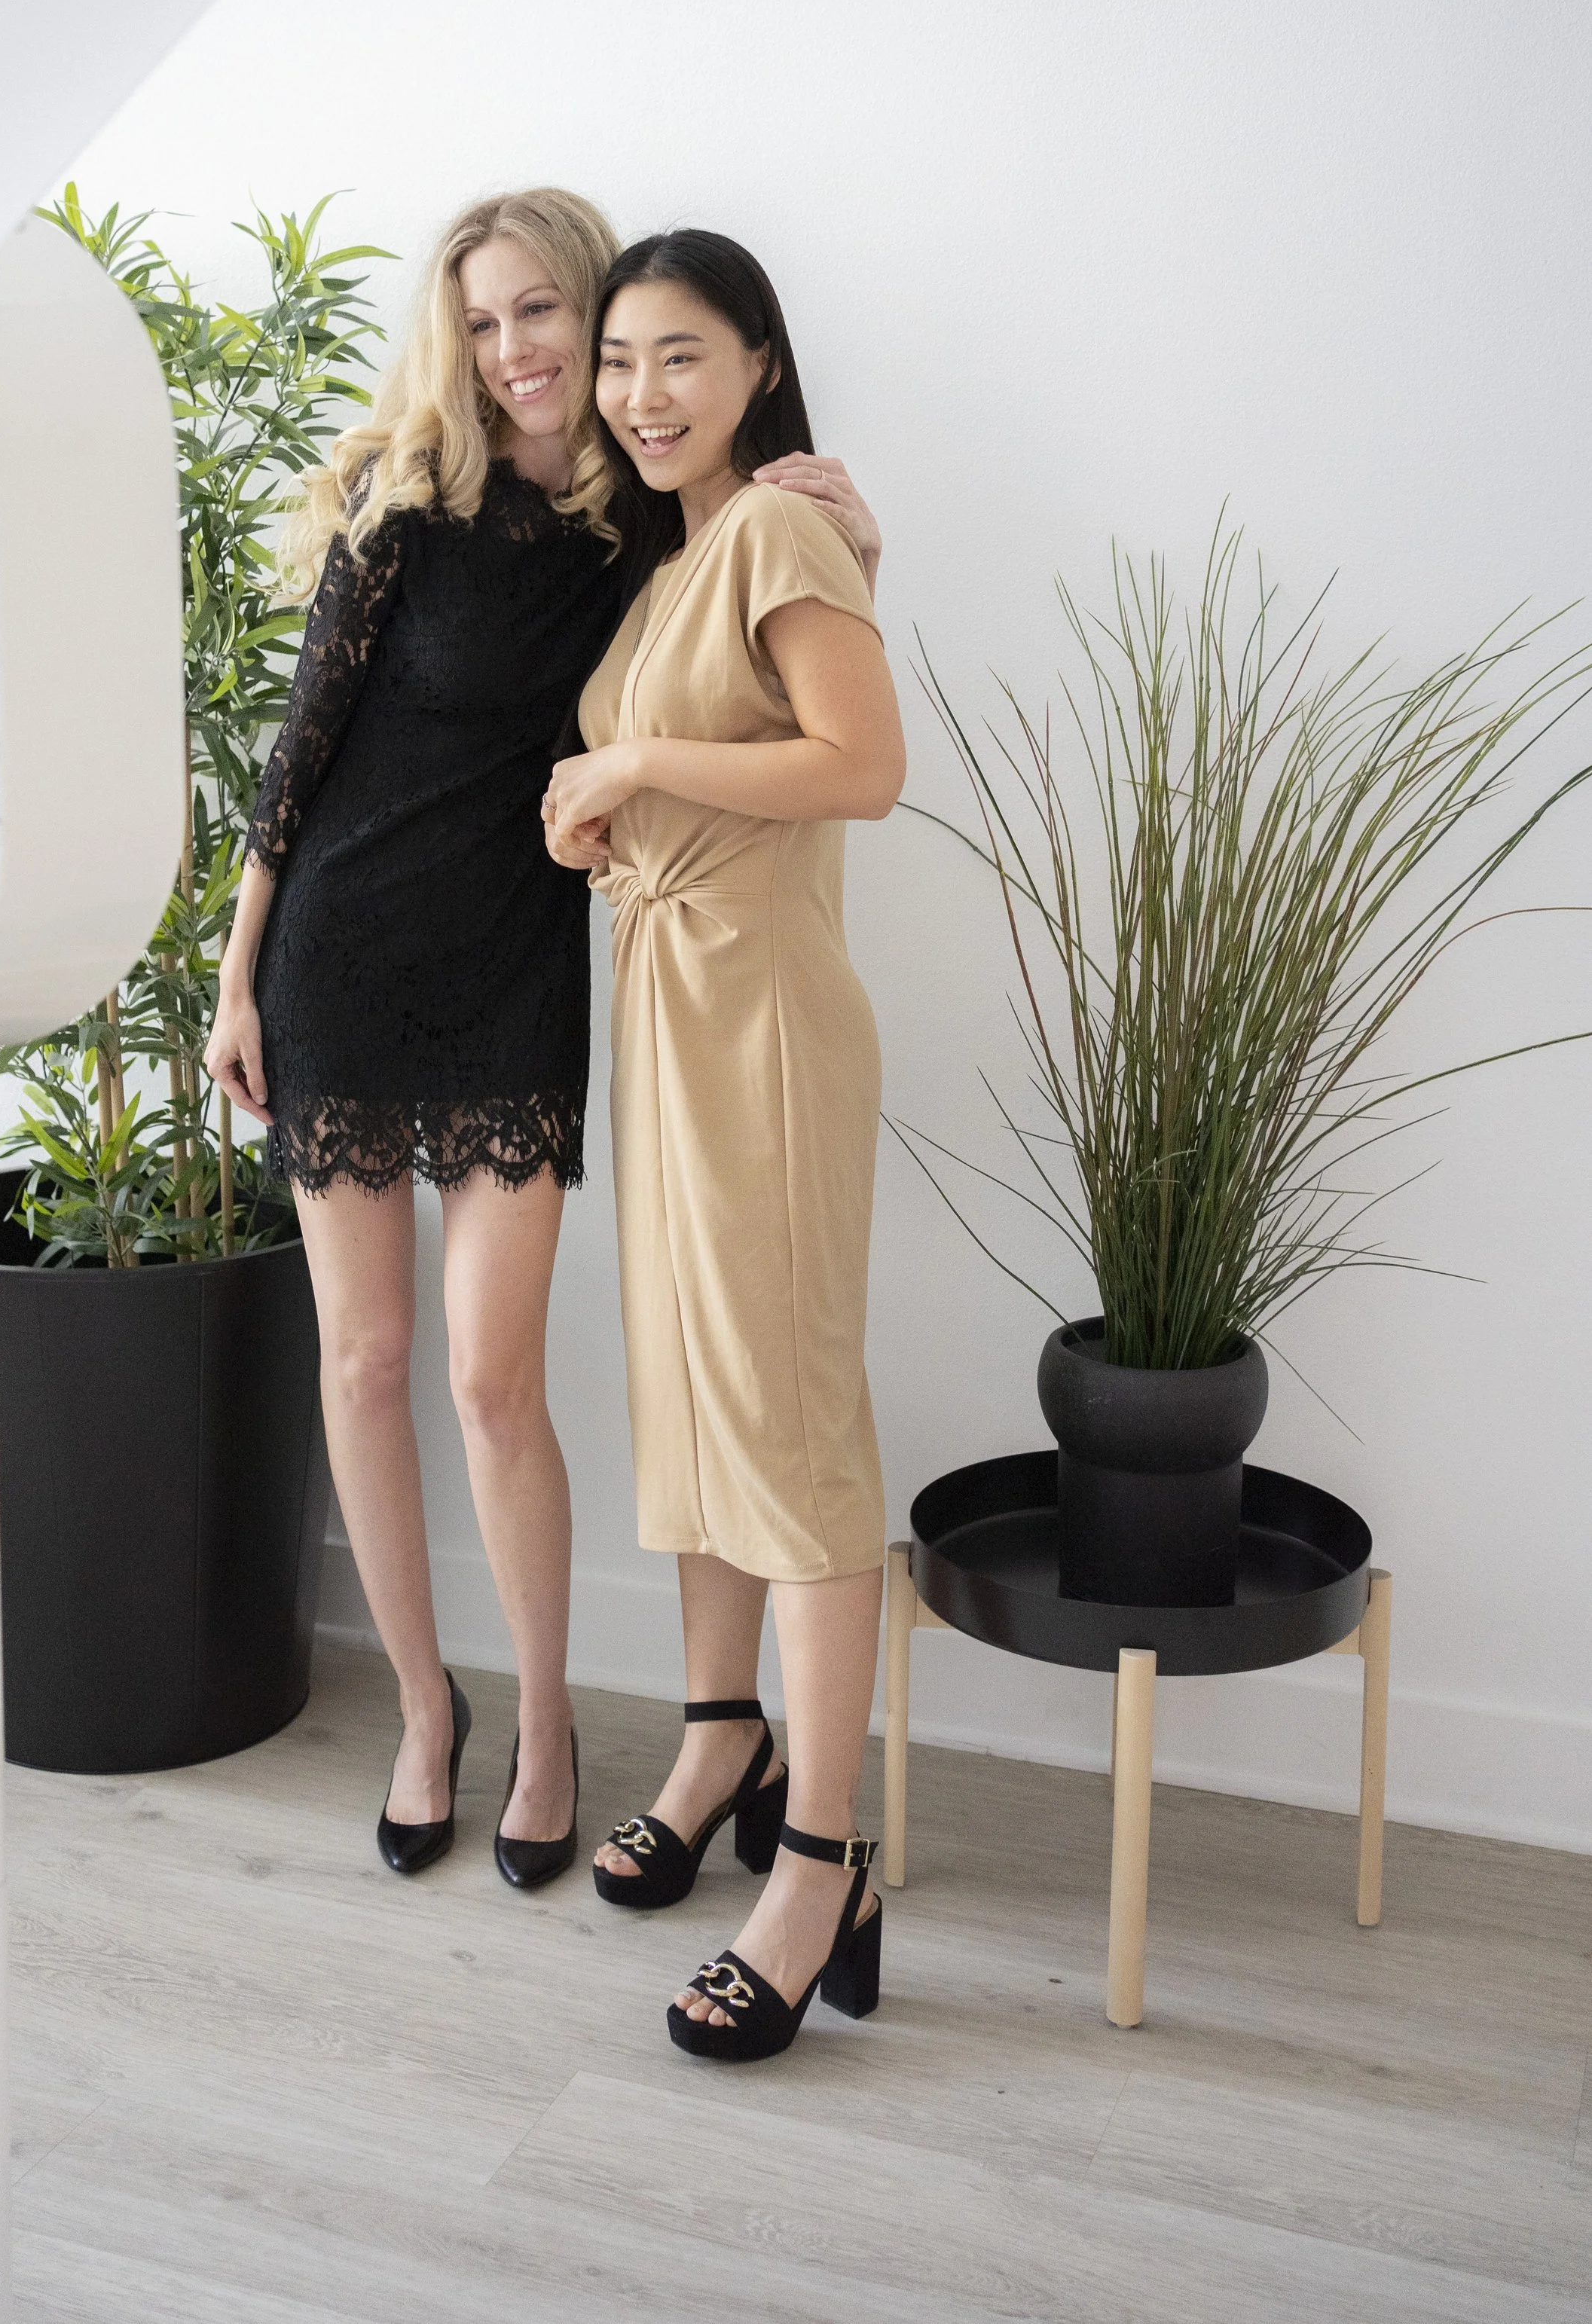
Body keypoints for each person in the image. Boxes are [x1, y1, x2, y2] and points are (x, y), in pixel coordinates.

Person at [205, 190, 881, 1890]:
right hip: (340, 963)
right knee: (362, 1362)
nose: (518, 353)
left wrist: (860, 548)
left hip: (518, 974)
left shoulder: (643, 524)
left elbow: (757, 654)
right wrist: (234, 981)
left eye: (545, 318)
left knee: (491, 1380)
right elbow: (299, 759)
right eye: (483, 318)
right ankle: (426, 1713)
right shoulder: (403, 504)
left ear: (602, 330)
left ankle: (553, 1722)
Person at [544, 231, 905, 2059]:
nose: (638, 393)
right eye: (618, 359)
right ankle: (715, 1745)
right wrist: (605, 808)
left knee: (789, 1429)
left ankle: (825, 1857)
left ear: (756, 363)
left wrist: (633, 776)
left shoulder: (771, 530)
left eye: (677, 355)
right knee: (690, 1396)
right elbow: (702, 757)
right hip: (670, 1008)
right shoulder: (671, 567)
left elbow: (863, 765)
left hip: (759, 1024)